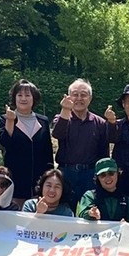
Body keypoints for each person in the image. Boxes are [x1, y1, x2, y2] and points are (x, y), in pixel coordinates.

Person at [52, 78, 107, 208]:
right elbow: (57, 134)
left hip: (90, 174)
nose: (79, 98)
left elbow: (103, 153)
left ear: (90, 98)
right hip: (67, 173)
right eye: (75, 94)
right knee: (65, 210)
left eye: (83, 95)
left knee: (89, 211)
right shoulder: (62, 118)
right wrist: (65, 110)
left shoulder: (100, 123)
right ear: (69, 96)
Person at [0, 79, 53, 206]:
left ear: (34, 98)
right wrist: (11, 121)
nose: (23, 98)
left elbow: (48, 151)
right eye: (19, 95)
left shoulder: (43, 120)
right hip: (16, 180)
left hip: (38, 181)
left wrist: (49, 176)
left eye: (28, 95)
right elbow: (6, 143)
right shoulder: (5, 118)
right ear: (14, 98)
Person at [79, 158, 129, 222]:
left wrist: (127, 225)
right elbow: (82, 214)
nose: (107, 178)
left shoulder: (127, 201)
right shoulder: (90, 196)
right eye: (103, 175)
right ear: (97, 178)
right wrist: (90, 214)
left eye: (111, 173)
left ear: (118, 174)